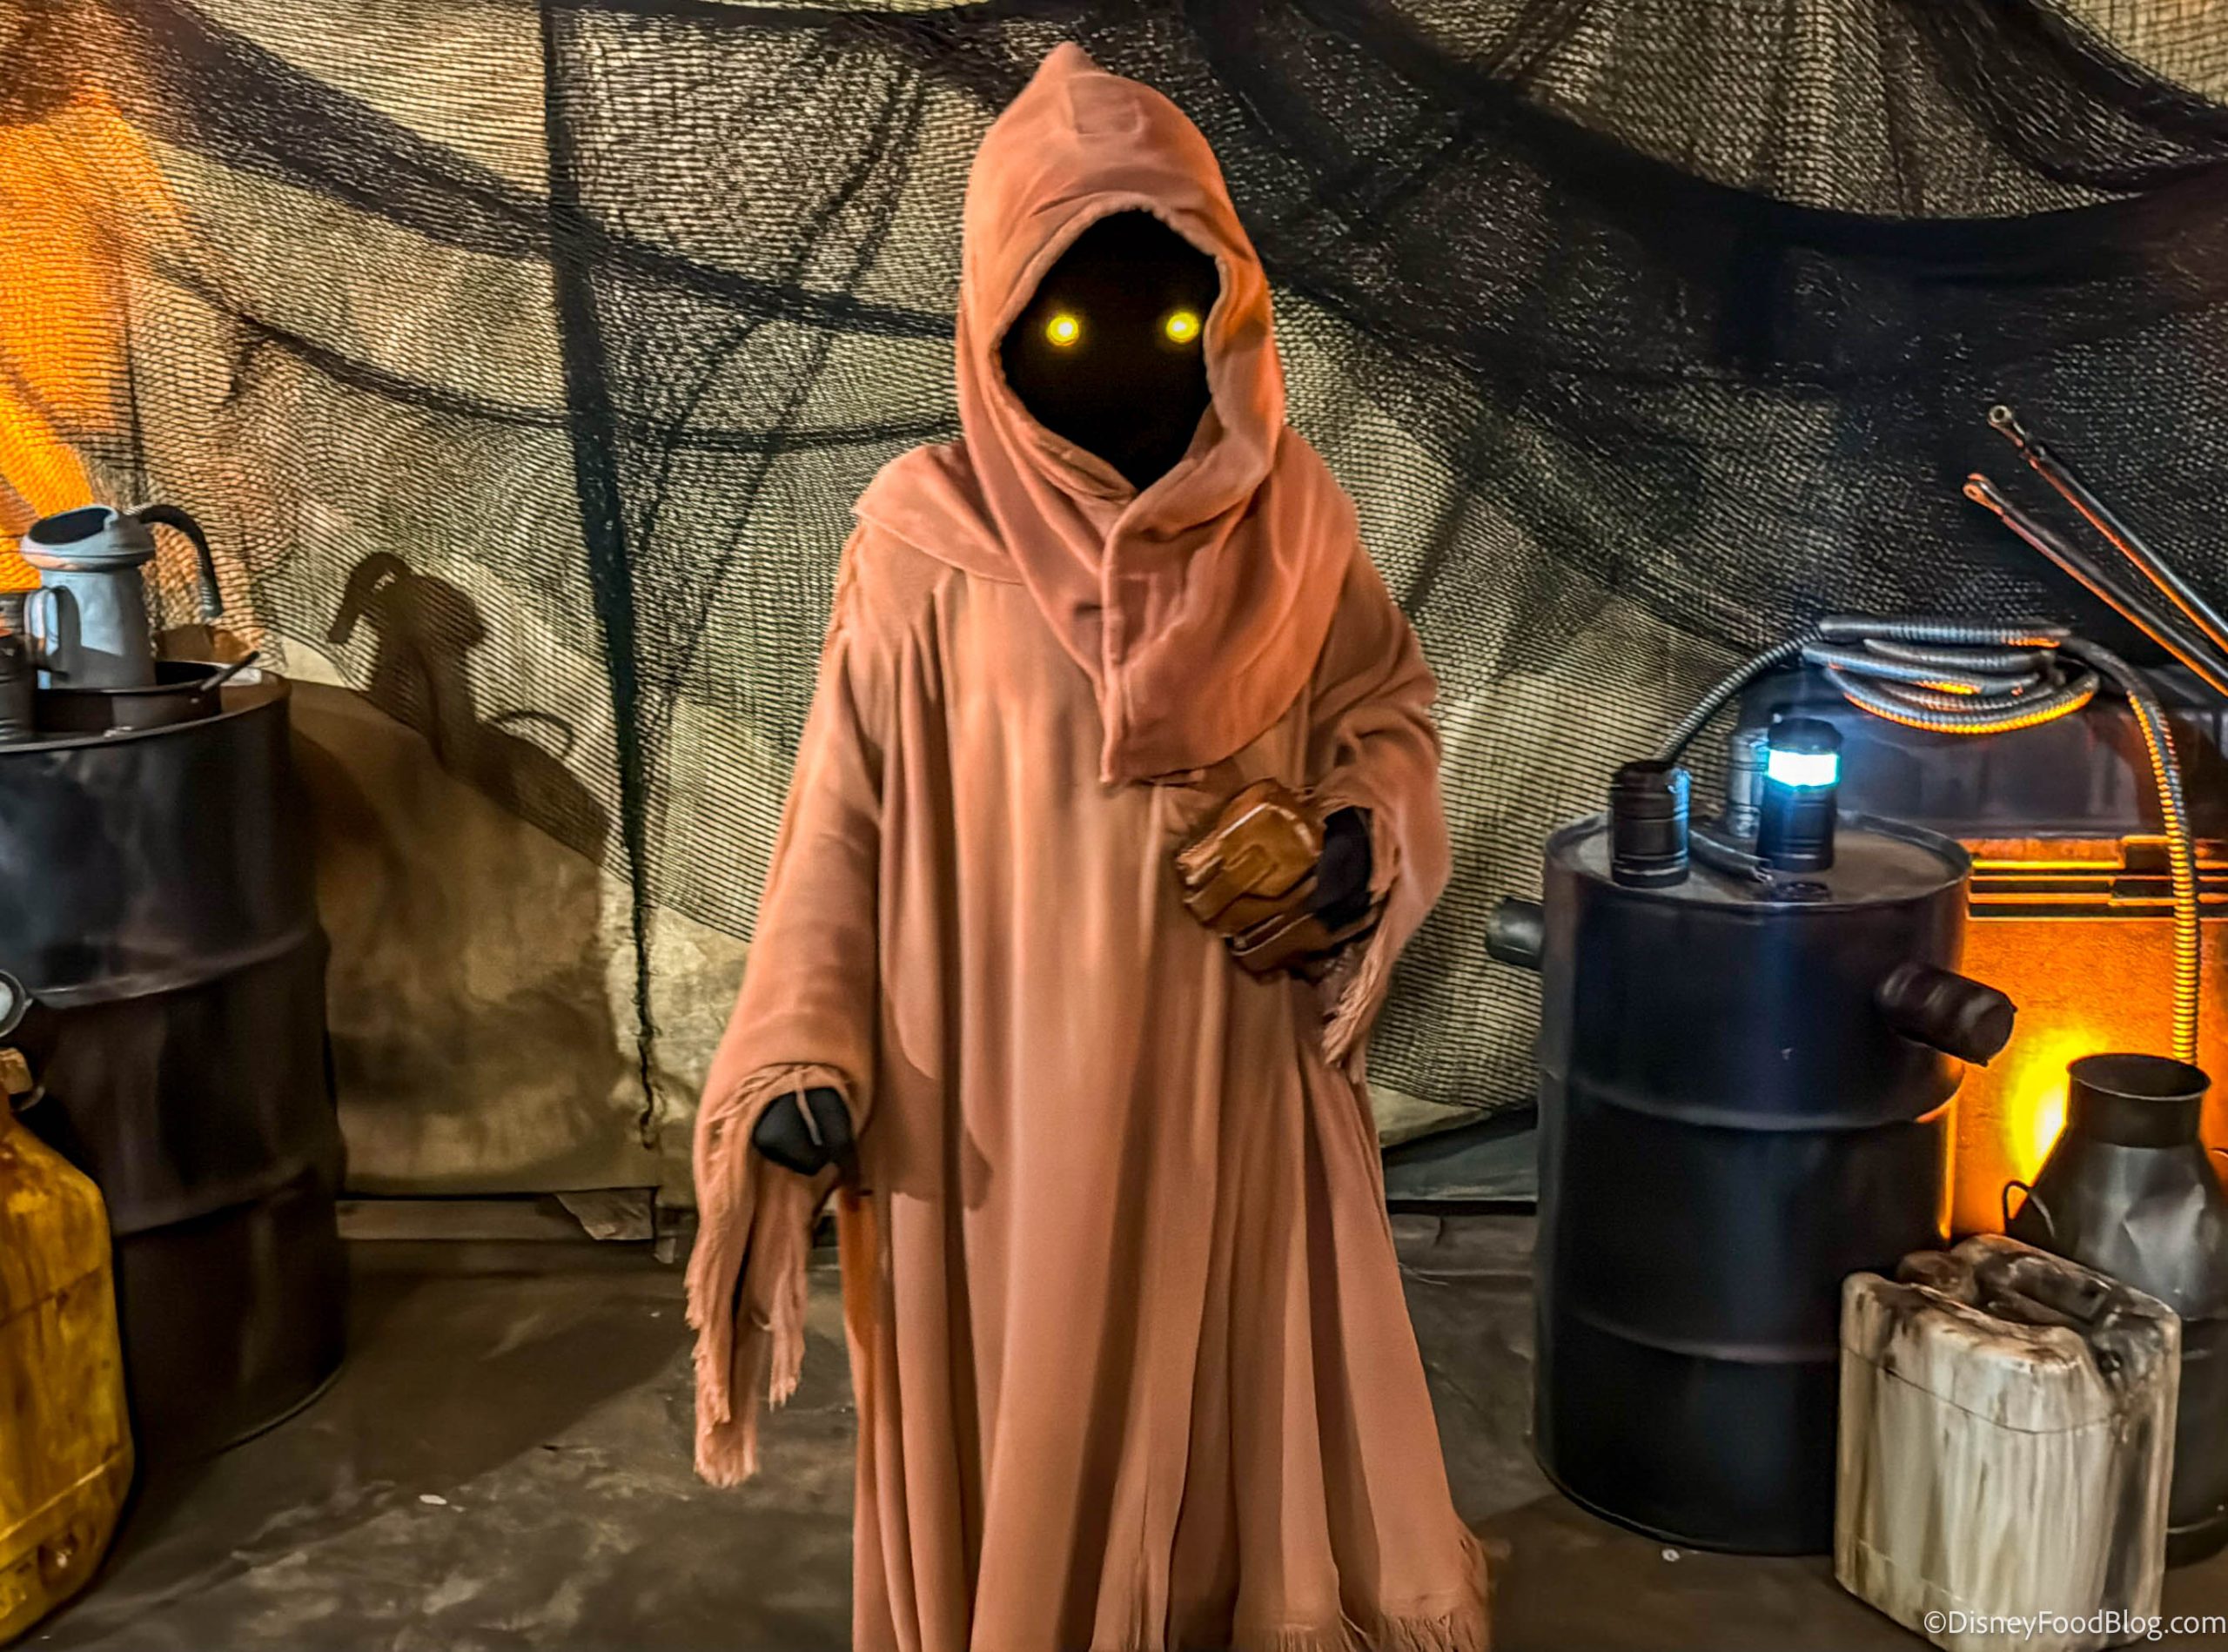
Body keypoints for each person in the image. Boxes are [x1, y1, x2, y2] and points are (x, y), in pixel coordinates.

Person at [689, 43, 1487, 1652]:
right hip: (999, 1120)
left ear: (1231, 310)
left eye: (1176, 322)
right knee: (1037, 1450)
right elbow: (840, 827)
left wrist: (1352, 842)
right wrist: (798, 1062)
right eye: (1062, 327)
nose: (1128, 359)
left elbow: (1384, 711)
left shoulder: (1293, 517)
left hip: (1230, 1083)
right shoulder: (922, 546)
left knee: (1231, 1435)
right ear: (994, 323)